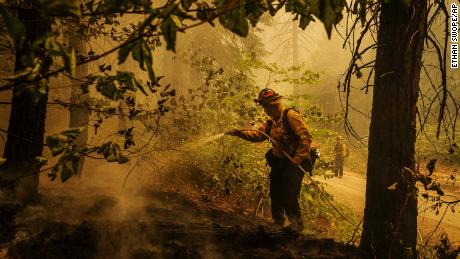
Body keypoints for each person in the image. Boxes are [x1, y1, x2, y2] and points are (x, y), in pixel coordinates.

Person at [226, 88, 312, 231]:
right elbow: (258, 135)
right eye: (263, 106)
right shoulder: (271, 122)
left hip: (294, 163)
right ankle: (278, 222)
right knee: (276, 191)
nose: (265, 110)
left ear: (275, 103)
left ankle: (296, 226)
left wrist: (296, 159)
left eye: (266, 106)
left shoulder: (290, 116)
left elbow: (306, 138)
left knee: (289, 193)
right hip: (279, 162)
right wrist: (238, 133)